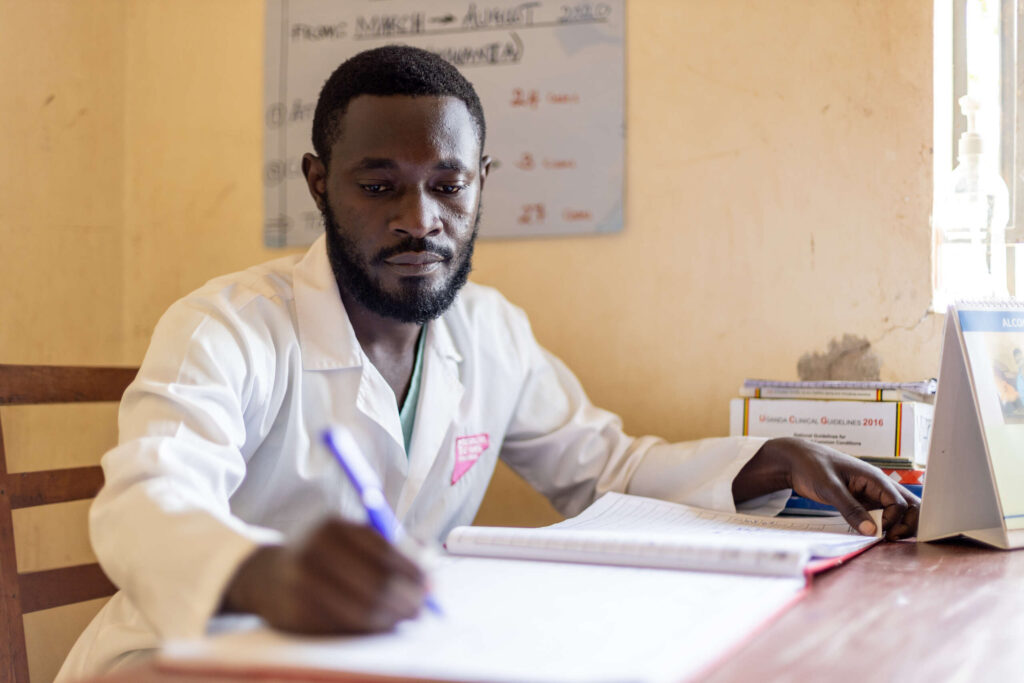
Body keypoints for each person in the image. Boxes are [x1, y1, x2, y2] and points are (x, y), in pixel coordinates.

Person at [57, 45, 918, 680]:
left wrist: (772, 458)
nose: (419, 218)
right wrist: (260, 571)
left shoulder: (490, 329)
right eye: (379, 183)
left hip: (387, 658)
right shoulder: (227, 327)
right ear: (319, 184)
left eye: (448, 183)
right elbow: (143, 502)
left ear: (481, 183)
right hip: (181, 658)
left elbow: (604, 470)